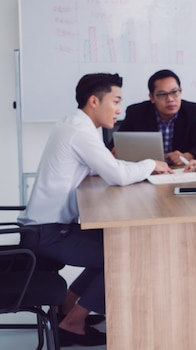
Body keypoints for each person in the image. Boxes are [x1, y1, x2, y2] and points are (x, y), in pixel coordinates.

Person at [18, 73, 171, 347]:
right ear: (93, 101)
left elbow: (101, 167)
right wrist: (151, 163)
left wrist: (114, 163)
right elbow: (117, 176)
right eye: (115, 101)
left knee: (113, 243)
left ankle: (67, 306)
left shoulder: (73, 124)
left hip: (43, 228)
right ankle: (73, 323)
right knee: (124, 254)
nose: (119, 109)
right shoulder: (80, 132)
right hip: (49, 233)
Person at [118, 69, 196, 166]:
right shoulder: (136, 113)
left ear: (181, 91)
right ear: (152, 97)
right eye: (162, 94)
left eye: (174, 92)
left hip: (179, 171)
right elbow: (117, 145)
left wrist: (186, 156)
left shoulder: (192, 111)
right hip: (148, 170)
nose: (170, 99)